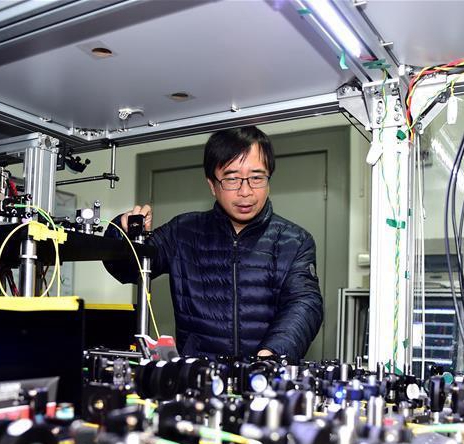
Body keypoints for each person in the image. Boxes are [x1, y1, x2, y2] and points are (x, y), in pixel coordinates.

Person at [104, 126, 323, 360]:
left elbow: (304, 303)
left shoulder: (295, 241)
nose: (245, 191)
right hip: (197, 375)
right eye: (232, 179)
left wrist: (272, 354)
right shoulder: (182, 232)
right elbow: (126, 269)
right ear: (212, 185)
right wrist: (122, 231)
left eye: (257, 178)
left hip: (264, 372)